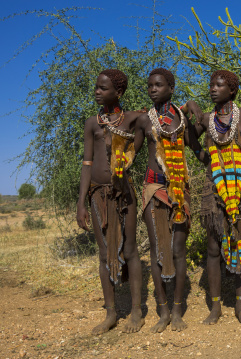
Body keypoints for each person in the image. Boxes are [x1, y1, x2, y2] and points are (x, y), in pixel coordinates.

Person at [134, 68, 206, 333]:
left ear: (171, 88)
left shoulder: (181, 119)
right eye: (149, 85)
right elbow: (132, 150)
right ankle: (162, 312)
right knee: (157, 250)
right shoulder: (144, 119)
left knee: (177, 248)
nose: (153, 89)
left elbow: (196, 148)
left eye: (159, 85)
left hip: (180, 190)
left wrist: (219, 162)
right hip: (154, 187)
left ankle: (177, 310)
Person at [192, 70, 241, 324]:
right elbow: (193, 143)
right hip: (213, 191)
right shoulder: (207, 118)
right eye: (211, 84)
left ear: (232, 90)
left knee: (240, 245)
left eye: (219, 85)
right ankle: (215, 308)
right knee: (213, 249)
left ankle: (240, 306)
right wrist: (211, 162)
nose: (213, 88)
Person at [76, 69, 144, 334]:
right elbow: (87, 163)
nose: (97, 91)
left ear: (119, 92)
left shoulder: (133, 120)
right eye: (96, 87)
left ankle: (137, 311)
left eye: (103, 88)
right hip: (97, 195)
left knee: (129, 250)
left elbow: (161, 114)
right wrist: (81, 202)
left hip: (123, 193)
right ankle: (111, 313)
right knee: (105, 254)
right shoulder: (92, 123)